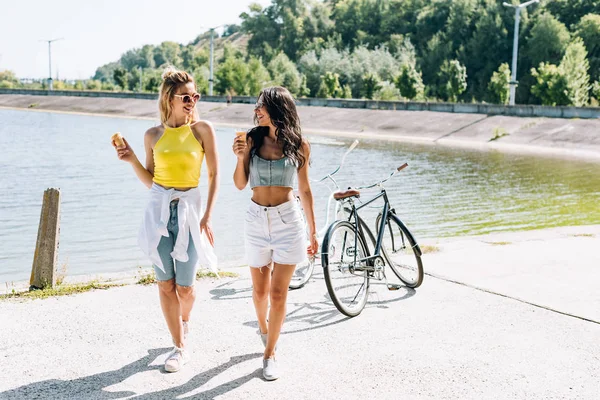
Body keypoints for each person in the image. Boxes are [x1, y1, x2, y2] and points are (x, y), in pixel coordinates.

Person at [113, 67, 219, 373]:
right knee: (165, 284)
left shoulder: (202, 130)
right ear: (169, 99)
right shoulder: (152, 135)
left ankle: (184, 321)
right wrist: (132, 159)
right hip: (158, 213)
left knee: (185, 288)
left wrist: (208, 216)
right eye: (186, 96)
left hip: (190, 212)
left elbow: (213, 175)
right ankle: (179, 346)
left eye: (195, 95)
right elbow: (152, 181)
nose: (192, 101)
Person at [232, 86, 318, 381]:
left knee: (278, 293)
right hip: (256, 219)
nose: (256, 111)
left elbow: (305, 190)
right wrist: (240, 156)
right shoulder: (252, 139)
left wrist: (314, 232)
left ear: (276, 109)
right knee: (259, 292)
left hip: (288, 221)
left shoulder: (299, 145)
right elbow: (240, 184)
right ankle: (264, 329)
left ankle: (270, 354)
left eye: (261, 106)